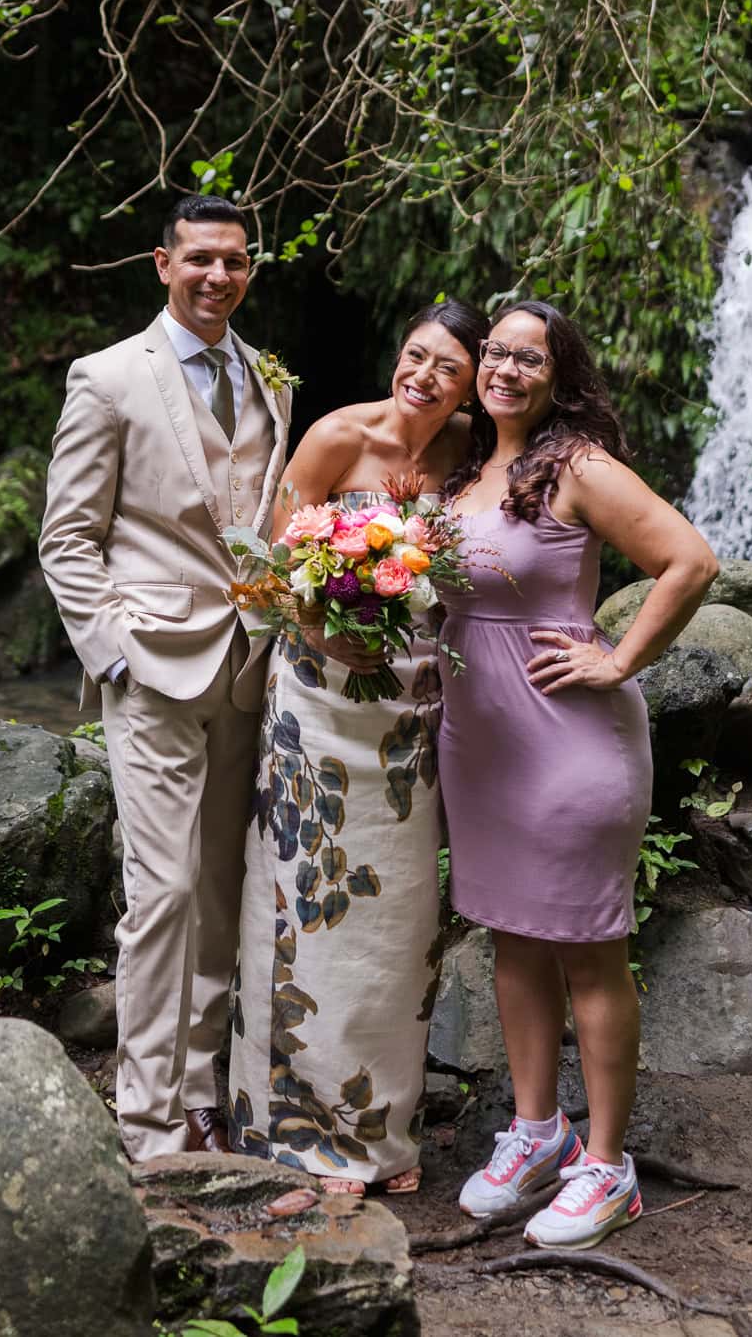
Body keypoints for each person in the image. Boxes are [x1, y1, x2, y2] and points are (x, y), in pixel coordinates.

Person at [440, 300, 717, 1248]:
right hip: (480, 746)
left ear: (559, 376)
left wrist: (619, 658)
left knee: (588, 945)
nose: (507, 369)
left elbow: (688, 560)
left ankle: (608, 1166)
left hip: (568, 741)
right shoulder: (469, 470)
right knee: (514, 938)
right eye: (496, 353)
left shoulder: (579, 467)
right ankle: (536, 1131)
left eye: (531, 357)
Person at [38, 194, 293, 1162]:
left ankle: (202, 1096)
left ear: (250, 269)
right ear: (162, 263)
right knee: (165, 891)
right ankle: (146, 1122)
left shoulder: (269, 376)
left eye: (233, 261)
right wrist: (112, 655)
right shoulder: (107, 379)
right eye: (199, 260)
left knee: (225, 888)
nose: (217, 276)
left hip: (248, 666)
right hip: (149, 666)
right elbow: (67, 538)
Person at [230, 300, 487, 1194]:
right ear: (398, 354)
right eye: (416, 356)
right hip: (317, 703)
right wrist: (329, 630)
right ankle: (296, 1127)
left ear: (467, 384)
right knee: (308, 911)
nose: (424, 377)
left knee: (399, 924)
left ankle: (382, 1130)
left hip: (411, 713)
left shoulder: (466, 452)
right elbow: (268, 571)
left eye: (446, 368)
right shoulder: (338, 437)